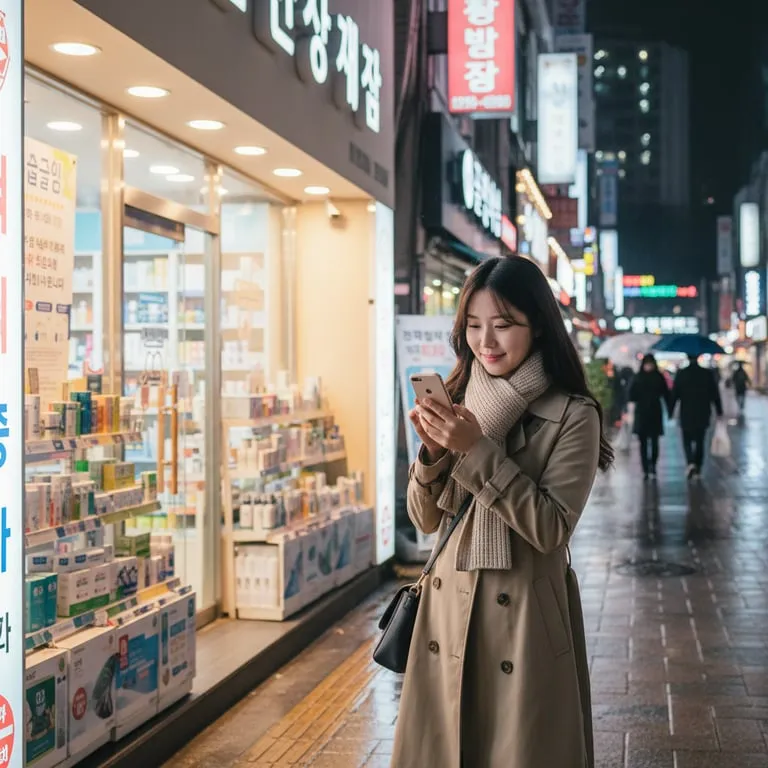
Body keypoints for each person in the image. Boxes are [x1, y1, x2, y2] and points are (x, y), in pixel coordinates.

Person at [395, 256, 614, 768]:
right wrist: (432, 455)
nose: (486, 342)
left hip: (523, 627)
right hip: (446, 620)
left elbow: (551, 528)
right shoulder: (458, 398)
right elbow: (425, 521)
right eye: (473, 325)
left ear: (537, 325)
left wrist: (474, 450)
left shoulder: (573, 414)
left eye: (503, 324)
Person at [669, 354, 723, 479]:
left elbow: (675, 394)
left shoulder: (682, 373)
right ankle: (698, 467)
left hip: (686, 412)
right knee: (700, 440)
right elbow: (715, 393)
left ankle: (690, 462)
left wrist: (670, 411)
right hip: (703, 412)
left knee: (686, 440)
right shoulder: (706, 374)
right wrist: (719, 410)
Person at [629, 354, 671, 480]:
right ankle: (646, 468)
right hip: (649, 412)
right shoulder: (655, 377)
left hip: (649, 413)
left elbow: (665, 394)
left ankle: (651, 466)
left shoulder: (640, 377)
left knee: (653, 442)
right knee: (644, 442)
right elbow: (631, 395)